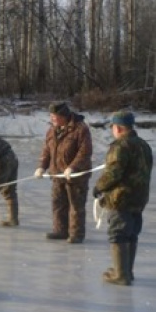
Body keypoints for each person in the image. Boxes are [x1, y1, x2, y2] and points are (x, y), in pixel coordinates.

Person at [92, 111, 152, 286]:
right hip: (139, 197)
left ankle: (121, 274)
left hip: (122, 198)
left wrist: (99, 187)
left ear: (117, 128)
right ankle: (127, 271)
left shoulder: (120, 146)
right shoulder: (144, 145)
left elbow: (113, 173)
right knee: (131, 233)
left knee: (118, 233)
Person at [34, 102, 93, 243]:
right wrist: (42, 166)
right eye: (51, 116)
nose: (52, 119)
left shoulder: (80, 129)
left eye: (55, 116)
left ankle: (76, 234)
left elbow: (84, 152)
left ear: (64, 115)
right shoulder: (52, 130)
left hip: (75, 176)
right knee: (58, 204)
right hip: (57, 174)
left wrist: (73, 167)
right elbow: (47, 150)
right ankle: (60, 230)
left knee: (75, 205)